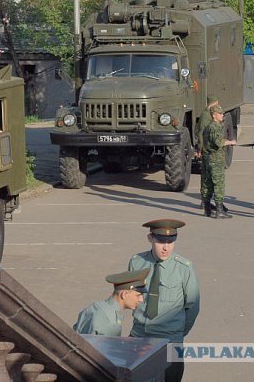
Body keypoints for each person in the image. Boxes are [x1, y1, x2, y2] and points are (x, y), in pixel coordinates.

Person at [127, 219, 200, 382]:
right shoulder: (136, 262)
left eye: (171, 241)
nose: (166, 247)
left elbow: (193, 307)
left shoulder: (184, 268)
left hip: (170, 340)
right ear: (150, 238)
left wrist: (177, 332)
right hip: (139, 336)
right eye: (160, 241)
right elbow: (131, 297)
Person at [73, 268, 150, 336]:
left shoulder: (96, 307)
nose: (141, 299)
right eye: (138, 295)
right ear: (124, 294)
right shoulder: (110, 323)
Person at [201, 105, 237, 218]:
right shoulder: (215, 127)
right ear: (214, 115)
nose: (222, 115)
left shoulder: (207, 127)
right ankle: (219, 210)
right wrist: (230, 142)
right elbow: (218, 142)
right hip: (216, 160)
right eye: (220, 113)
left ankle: (207, 209)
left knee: (207, 183)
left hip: (208, 158)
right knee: (219, 184)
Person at [195, 94, 218, 210]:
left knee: (207, 177)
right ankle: (205, 202)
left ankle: (206, 201)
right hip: (205, 150)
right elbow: (201, 133)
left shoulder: (207, 114)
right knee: (206, 177)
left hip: (207, 149)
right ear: (212, 103)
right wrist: (199, 148)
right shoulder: (205, 116)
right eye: (216, 103)